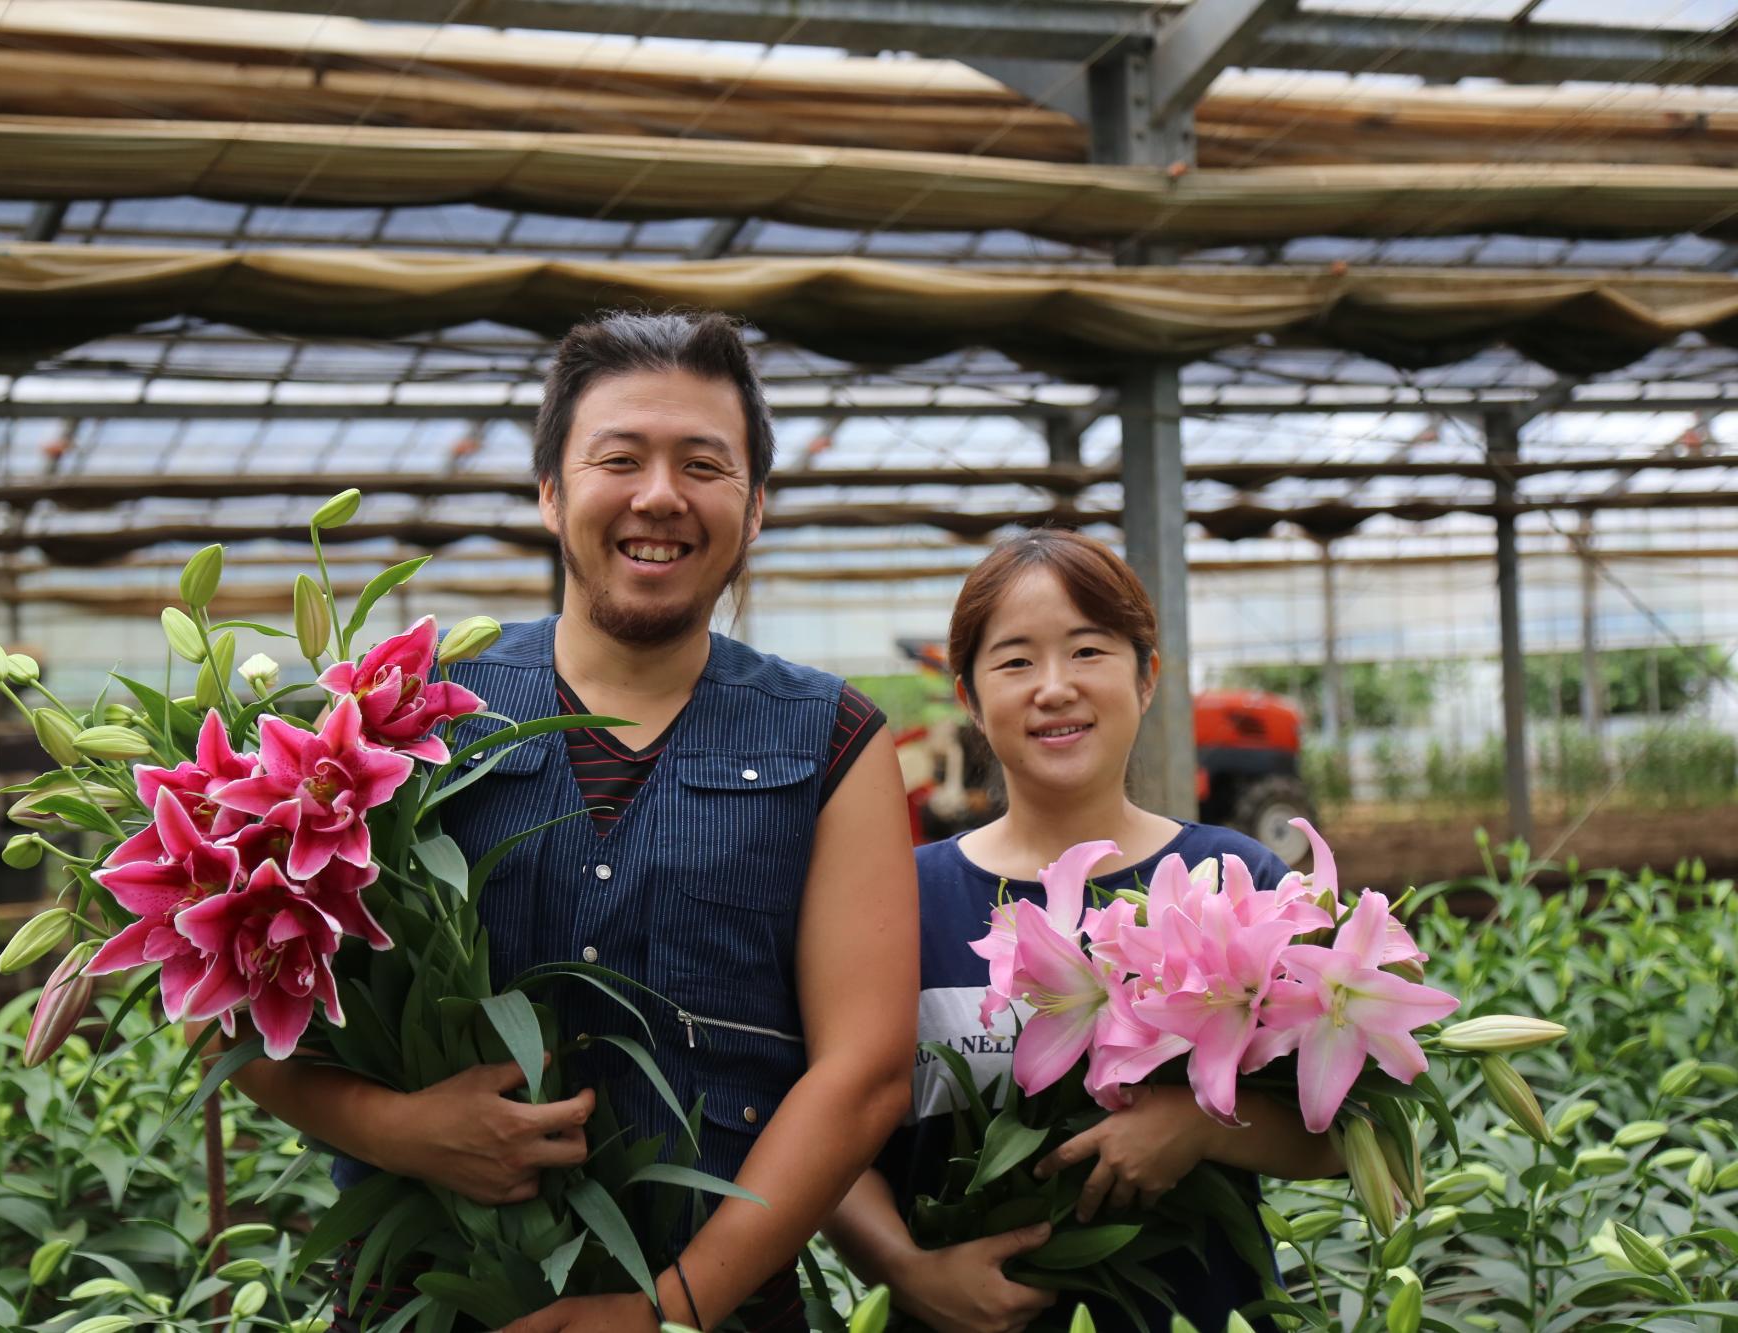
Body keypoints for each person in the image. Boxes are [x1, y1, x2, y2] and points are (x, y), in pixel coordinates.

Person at [219, 310, 918, 1332]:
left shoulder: (830, 737)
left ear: (755, 505)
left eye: (703, 464)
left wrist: (668, 1307)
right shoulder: (404, 710)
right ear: (550, 492)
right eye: (619, 458)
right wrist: (402, 1128)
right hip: (425, 1298)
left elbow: (862, 1073)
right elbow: (239, 1001)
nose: (659, 496)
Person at [824, 529, 1342, 1333]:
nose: (1054, 687)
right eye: (1016, 660)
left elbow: (1345, 1131)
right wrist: (907, 1271)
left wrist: (1200, 1126)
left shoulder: (1236, 880)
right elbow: (819, 1123)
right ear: (968, 695)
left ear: (1147, 678)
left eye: (1089, 650)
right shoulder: (898, 898)